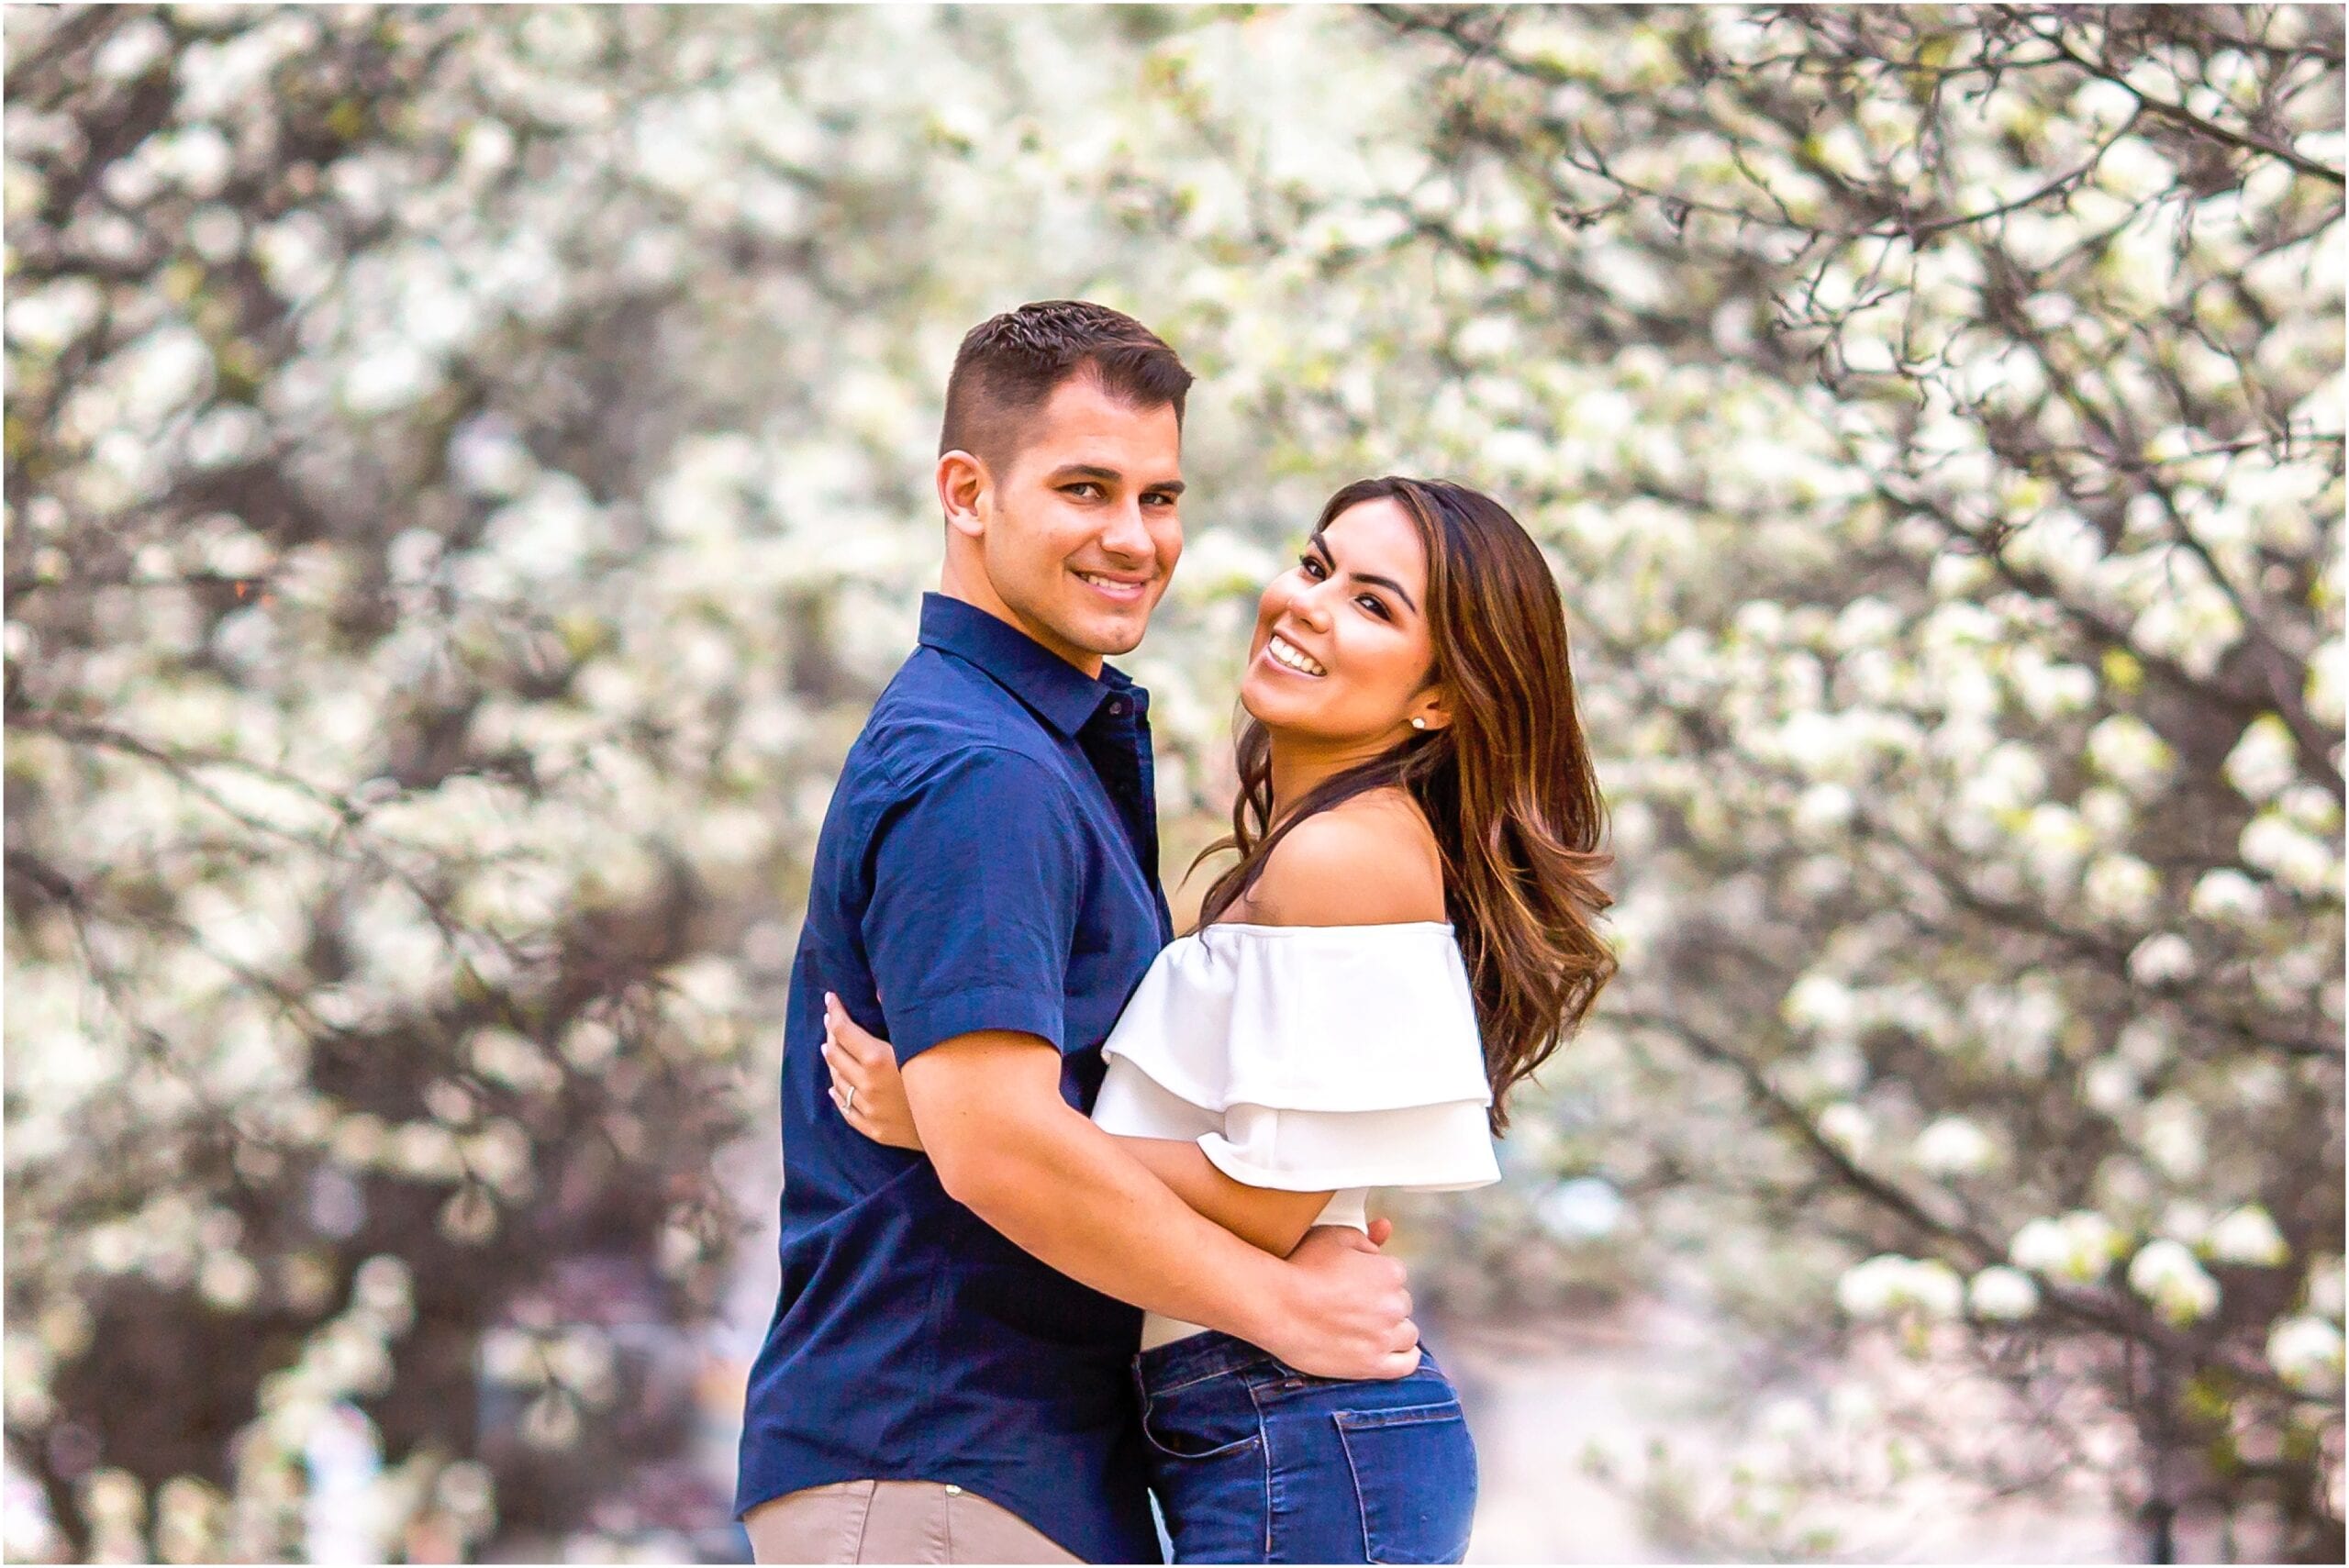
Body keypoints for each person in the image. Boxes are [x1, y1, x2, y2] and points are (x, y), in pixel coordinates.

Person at [734, 302, 1426, 1567]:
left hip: (1006, 1476)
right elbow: (998, 1144)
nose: (1134, 537)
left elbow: (1031, 1122)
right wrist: (1286, 1306)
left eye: (1160, 497)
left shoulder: (1037, 751)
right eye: (1085, 488)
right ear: (967, 491)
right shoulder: (980, 770)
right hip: (938, 1469)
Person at [823, 474, 1619, 1562]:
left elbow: (1269, 1198)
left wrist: (962, 1125)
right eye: (1314, 563)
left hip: (1298, 1427)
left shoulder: (1351, 854)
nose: (1309, 604)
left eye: (1374, 604)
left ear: (1438, 696)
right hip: (1257, 1421)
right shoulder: (1304, 848)